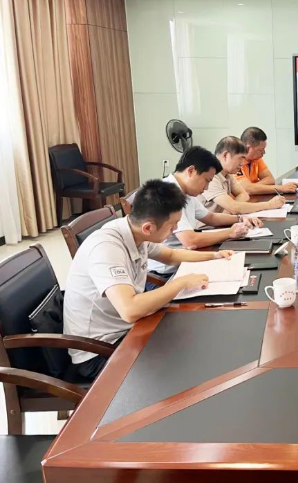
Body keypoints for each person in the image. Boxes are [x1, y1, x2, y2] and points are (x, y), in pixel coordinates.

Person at [63, 179, 235, 379]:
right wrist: (181, 283)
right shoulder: (106, 248)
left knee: (199, 337)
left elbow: (171, 255)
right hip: (101, 350)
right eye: (171, 226)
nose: (175, 230)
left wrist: (214, 256)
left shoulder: (134, 231)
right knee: (191, 361)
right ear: (148, 228)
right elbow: (130, 310)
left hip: (128, 329)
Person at [148, 146, 262, 275]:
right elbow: (190, 240)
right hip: (168, 272)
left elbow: (211, 217)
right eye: (206, 181)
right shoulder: (167, 194)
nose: (206, 187)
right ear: (191, 171)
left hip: (188, 260)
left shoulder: (185, 192)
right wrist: (230, 233)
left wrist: (241, 218)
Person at [198, 136, 285, 218]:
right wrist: (269, 205)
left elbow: (244, 194)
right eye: (240, 158)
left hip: (220, 223)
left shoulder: (228, 175)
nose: (242, 163)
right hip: (206, 227)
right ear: (225, 155)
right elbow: (234, 207)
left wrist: (229, 210)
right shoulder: (211, 176)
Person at [235, 126, 298, 195]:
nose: (264, 152)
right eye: (260, 150)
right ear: (248, 148)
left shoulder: (256, 159)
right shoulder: (235, 162)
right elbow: (247, 190)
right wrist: (281, 188)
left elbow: (270, 180)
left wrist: (253, 187)